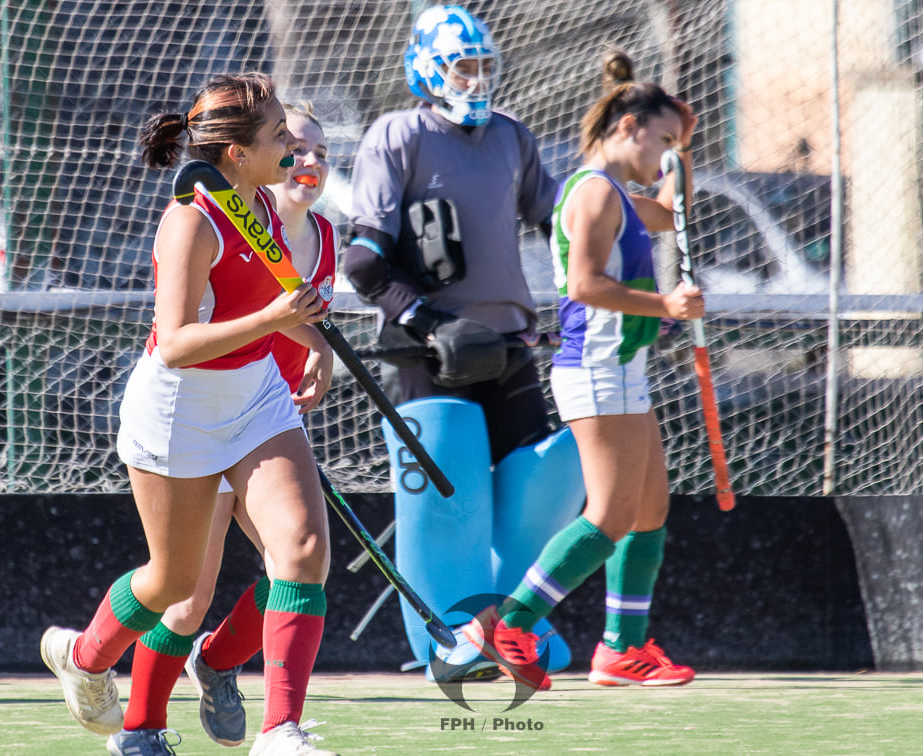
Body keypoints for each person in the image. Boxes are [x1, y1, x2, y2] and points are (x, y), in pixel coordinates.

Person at [39, 73, 338, 756]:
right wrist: (274, 319)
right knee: (172, 584)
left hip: (255, 394)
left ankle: (281, 732)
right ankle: (86, 659)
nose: (292, 145)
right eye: (276, 136)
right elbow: (173, 343)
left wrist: (311, 343)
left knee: (302, 550)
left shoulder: (262, 200)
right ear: (236, 153)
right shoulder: (192, 220)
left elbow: (270, 294)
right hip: (178, 408)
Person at [341, 4, 585, 683]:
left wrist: (596, 268)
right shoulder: (397, 135)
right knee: (447, 500)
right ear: (427, 67)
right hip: (428, 349)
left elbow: (563, 225)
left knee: (541, 485)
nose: (476, 80)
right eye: (462, 66)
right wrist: (430, 322)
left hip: (508, 343)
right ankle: (446, 639)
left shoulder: (512, 136)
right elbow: (363, 263)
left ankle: (515, 629)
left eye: (484, 67)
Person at [463, 50, 703, 692]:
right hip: (596, 370)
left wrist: (683, 149)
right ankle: (508, 625)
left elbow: (673, 211)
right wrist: (665, 305)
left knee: (649, 508)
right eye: (660, 142)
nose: (663, 156)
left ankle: (623, 648)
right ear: (627, 128)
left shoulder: (623, 193)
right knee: (610, 516)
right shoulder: (594, 193)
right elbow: (583, 283)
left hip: (624, 370)